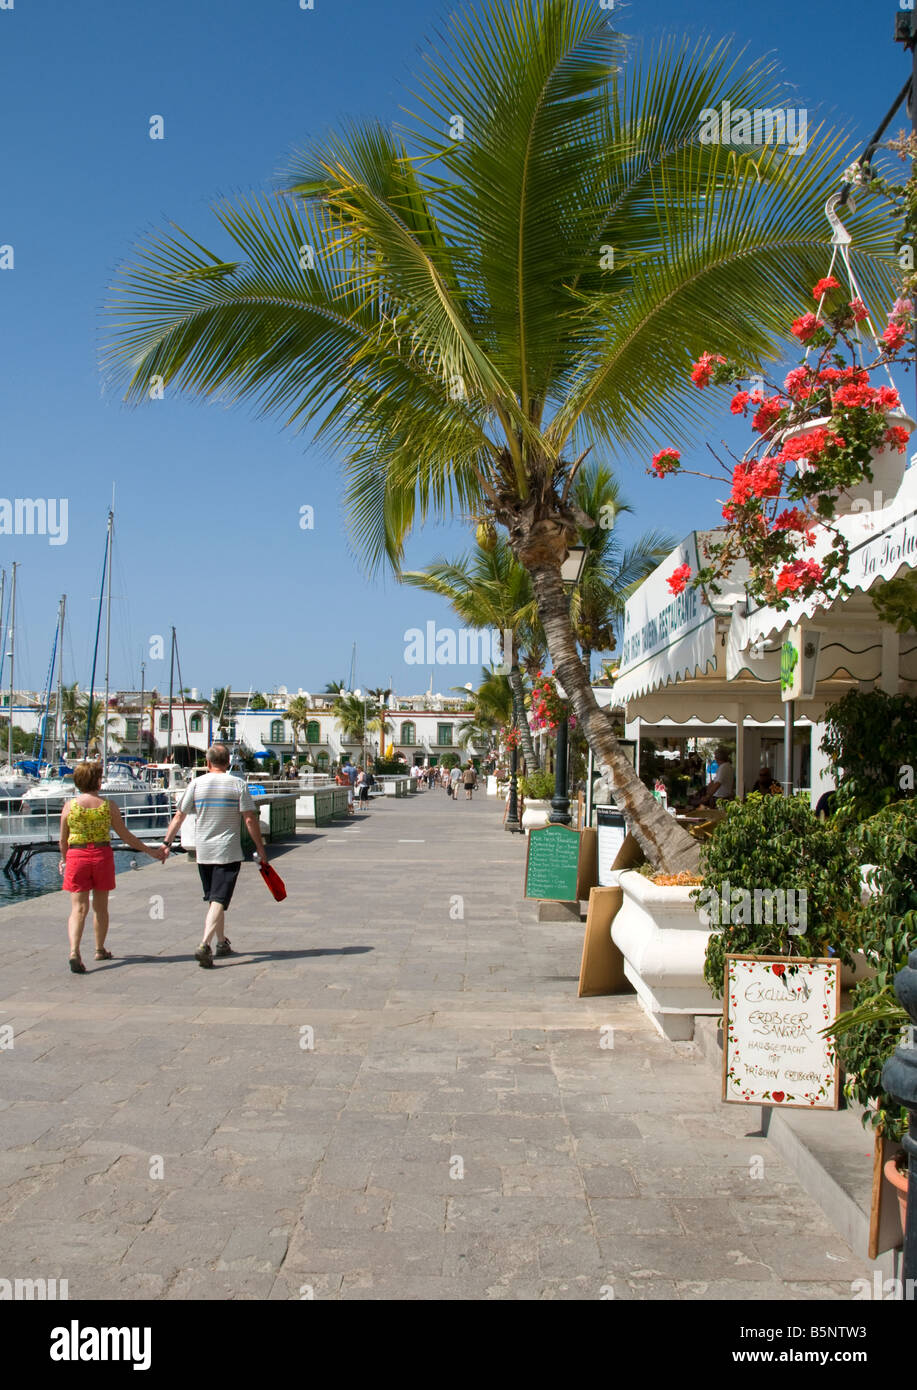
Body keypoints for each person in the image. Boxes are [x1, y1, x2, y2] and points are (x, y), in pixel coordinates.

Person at [161, 743, 270, 969]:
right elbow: (249, 819)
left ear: (207, 763)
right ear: (228, 762)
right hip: (228, 851)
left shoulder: (196, 784)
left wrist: (166, 843)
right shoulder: (237, 784)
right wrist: (260, 847)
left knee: (214, 899)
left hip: (204, 852)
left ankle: (222, 943)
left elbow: (179, 815)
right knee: (219, 899)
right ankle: (204, 944)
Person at [59, 760, 167, 974]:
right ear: (98, 781)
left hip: (77, 855)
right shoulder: (108, 807)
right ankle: (99, 949)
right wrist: (150, 851)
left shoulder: (69, 807)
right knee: (101, 907)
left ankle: (74, 951)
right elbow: (127, 837)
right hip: (101, 855)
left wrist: (65, 859)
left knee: (78, 908)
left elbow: (63, 840)